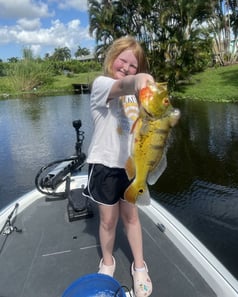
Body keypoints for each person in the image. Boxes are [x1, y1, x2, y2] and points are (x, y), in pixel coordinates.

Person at [83, 36, 153, 297]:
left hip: (130, 168)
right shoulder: (103, 85)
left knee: (132, 218)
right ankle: (108, 262)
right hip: (104, 166)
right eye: (122, 60)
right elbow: (125, 84)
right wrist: (140, 79)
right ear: (111, 59)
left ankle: (139, 266)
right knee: (108, 221)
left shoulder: (136, 99)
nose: (125, 67)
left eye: (133, 65)